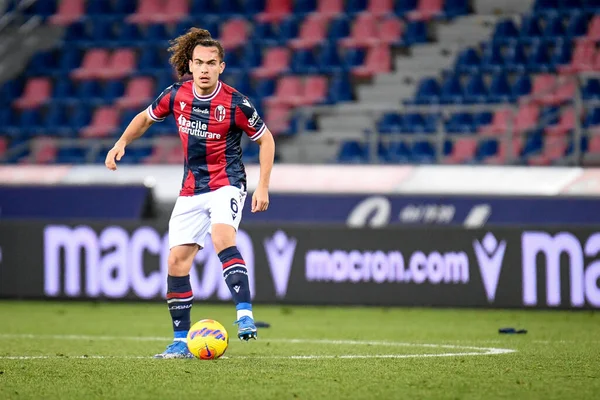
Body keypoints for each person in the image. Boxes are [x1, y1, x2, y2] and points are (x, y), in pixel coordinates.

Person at [104, 28, 275, 359]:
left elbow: (266, 139)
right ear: (191, 65)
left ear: (221, 67)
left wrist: (263, 186)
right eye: (199, 63)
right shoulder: (176, 94)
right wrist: (121, 142)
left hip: (227, 182)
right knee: (176, 260)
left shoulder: (236, 103)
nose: (205, 69)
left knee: (222, 237)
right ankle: (180, 342)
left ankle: (244, 314)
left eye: (212, 63)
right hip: (191, 188)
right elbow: (145, 118)